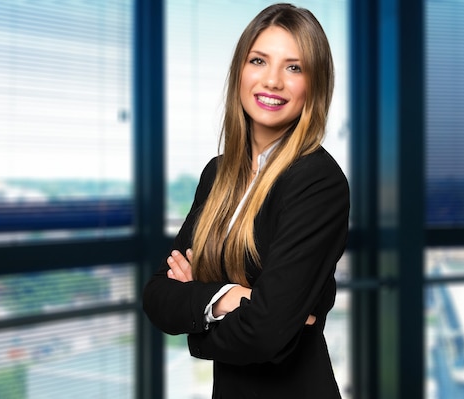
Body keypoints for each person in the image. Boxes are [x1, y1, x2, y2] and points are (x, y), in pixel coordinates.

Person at [143, 3, 349, 398]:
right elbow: (157, 295)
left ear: (314, 84)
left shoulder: (317, 181)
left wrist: (199, 312)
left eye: (294, 67)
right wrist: (230, 298)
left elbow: (267, 330)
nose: (272, 80)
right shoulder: (217, 175)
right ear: (240, 70)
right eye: (259, 60)